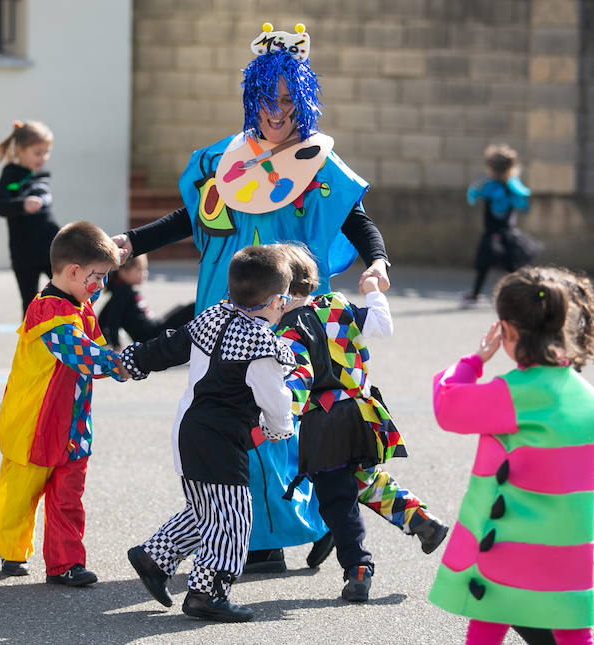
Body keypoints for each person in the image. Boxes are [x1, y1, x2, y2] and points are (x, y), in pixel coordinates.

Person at [111, 22, 391, 573]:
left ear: (303, 99)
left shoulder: (318, 164)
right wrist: (132, 242)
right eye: (267, 98)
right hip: (230, 302)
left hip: (293, 310)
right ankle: (258, 534)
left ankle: (287, 527)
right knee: (230, 416)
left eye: (288, 99)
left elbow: (358, 222)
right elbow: (188, 219)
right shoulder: (225, 160)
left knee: (288, 417)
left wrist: (378, 261)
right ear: (252, 99)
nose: (277, 110)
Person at [428, 266, 594, 644]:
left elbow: (448, 405)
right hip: (568, 538)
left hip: (511, 538)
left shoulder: (512, 393)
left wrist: (474, 361)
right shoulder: (585, 394)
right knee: (572, 626)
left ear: (507, 330)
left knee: (488, 618)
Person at [121, 245, 296, 622]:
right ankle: (208, 593)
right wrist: (280, 430)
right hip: (220, 441)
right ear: (276, 301)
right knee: (233, 519)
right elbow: (276, 402)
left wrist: (132, 361)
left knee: (207, 511)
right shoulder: (262, 347)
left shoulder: (213, 316)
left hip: (187, 431)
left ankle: (155, 556)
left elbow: (169, 345)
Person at [274, 243, 448, 602]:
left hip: (325, 422)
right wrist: (370, 292)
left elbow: (297, 382)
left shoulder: (284, 331)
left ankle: (357, 567)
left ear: (279, 292)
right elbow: (381, 327)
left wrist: (273, 418)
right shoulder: (336, 306)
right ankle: (419, 520)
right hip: (363, 411)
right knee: (361, 479)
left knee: (337, 499)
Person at [0, 221, 127, 587]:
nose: (100, 287)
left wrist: (111, 258)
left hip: (73, 423)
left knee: (68, 496)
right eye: (97, 278)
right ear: (73, 272)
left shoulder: (79, 304)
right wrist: (122, 364)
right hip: (35, 423)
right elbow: (82, 352)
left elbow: (94, 349)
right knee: (19, 497)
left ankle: (65, 564)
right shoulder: (48, 311)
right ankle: (12, 548)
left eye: (105, 279)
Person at [0, 120, 61, 315]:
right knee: (30, 303)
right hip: (24, 252)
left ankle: (67, 337)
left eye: (46, 152)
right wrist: (22, 204)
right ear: (20, 149)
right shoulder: (11, 175)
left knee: (65, 294)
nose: (43, 158)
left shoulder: (42, 174)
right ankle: (30, 343)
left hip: (50, 248)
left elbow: (46, 216)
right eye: (37, 153)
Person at [463, 143, 539, 306]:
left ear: (492, 168)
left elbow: (474, 196)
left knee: (484, 266)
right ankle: (523, 295)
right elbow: (523, 203)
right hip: (510, 234)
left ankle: (476, 294)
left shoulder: (491, 188)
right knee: (512, 268)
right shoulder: (513, 186)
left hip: (494, 234)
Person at [96, 254, 195, 348]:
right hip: (151, 336)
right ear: (123, 272)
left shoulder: (125, 291)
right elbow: (112, 321)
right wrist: (116, 345)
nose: (145, 273)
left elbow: (105, 316)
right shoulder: (122, 292)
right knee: (192, 309)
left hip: (154, 328)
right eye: (139, 270)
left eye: (144, 269)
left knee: (181, 307)